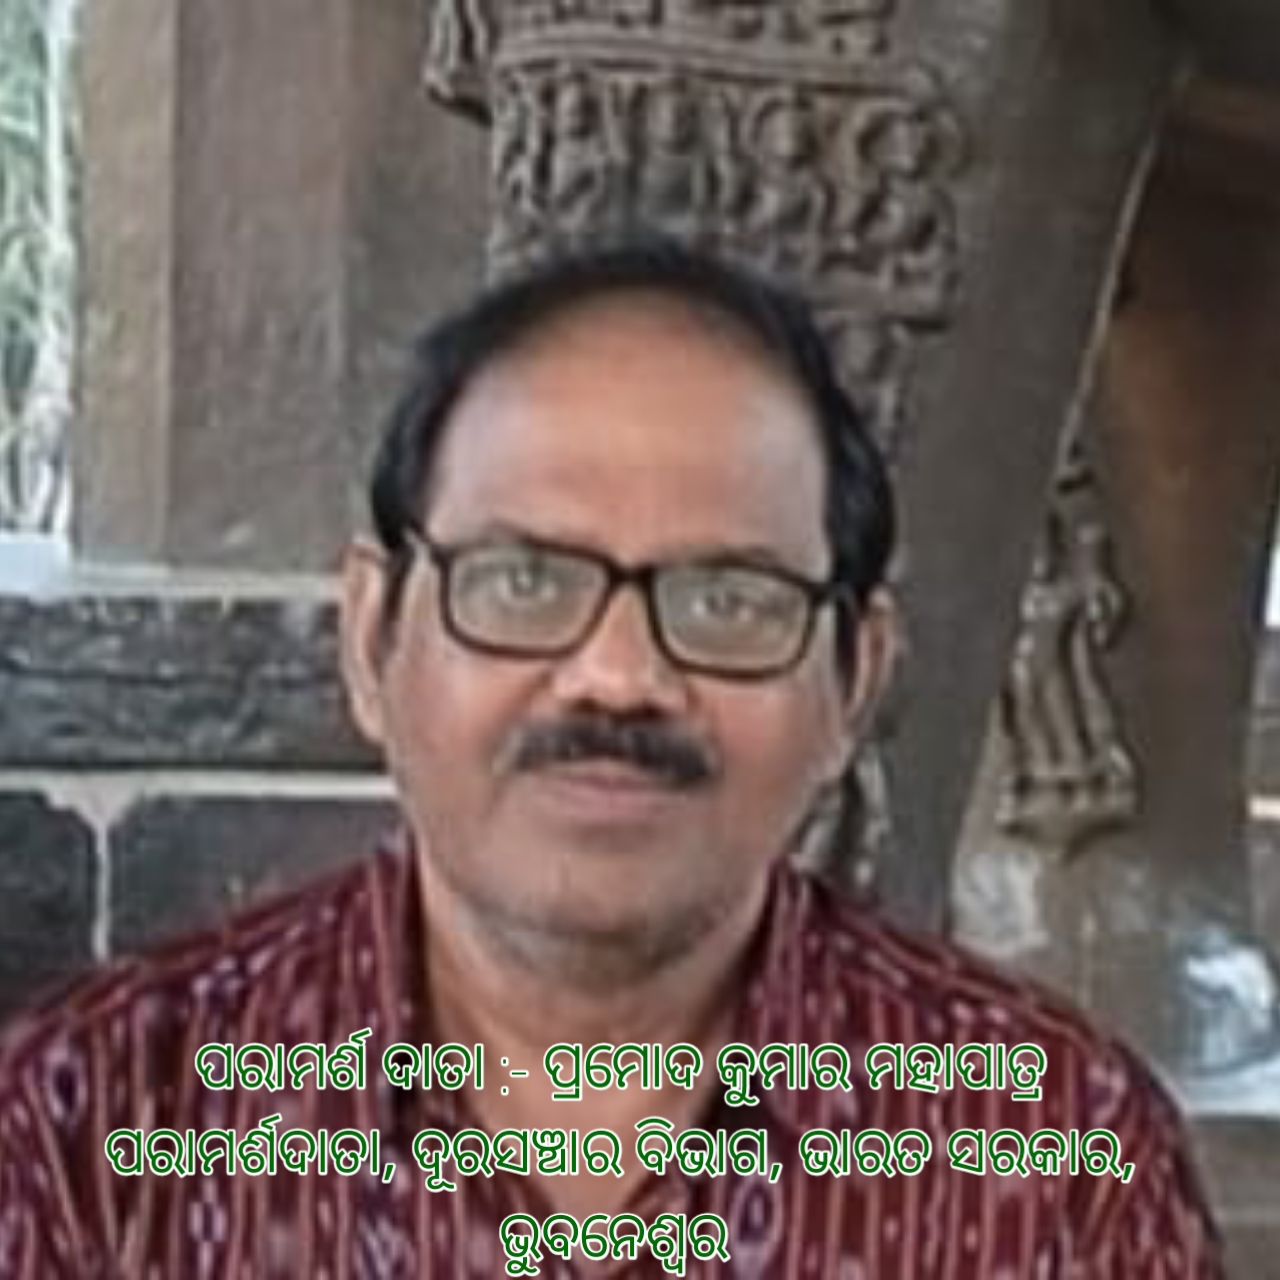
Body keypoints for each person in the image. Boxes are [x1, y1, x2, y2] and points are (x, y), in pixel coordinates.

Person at [0, 241, 1223, 1278]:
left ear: (853, 678)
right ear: (372, 638)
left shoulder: (1054, 1156)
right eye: (525, 580)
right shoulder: (86, 1124)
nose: (617, 675)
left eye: (727, 598)